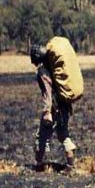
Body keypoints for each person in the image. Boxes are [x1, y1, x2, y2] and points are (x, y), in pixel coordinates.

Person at [30, 44, 77, 172]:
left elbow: (47, 93)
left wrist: (47, 113)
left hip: (54, 109)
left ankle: (38, 165)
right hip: (64, 107)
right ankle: (71, 165)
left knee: (41, 137)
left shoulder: (43, 72)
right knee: (63, 135)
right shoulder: (53, 69)